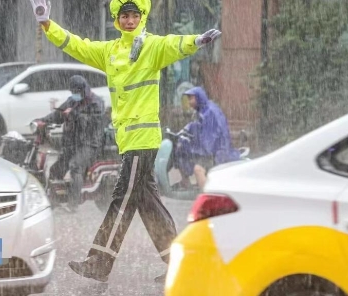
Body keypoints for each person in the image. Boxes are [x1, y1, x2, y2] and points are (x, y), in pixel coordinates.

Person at [29, 0, 222, 282]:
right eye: (124, 16)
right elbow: (76, 45)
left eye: (134, 15)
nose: (130, 20)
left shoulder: (150, 46)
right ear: (117, 20)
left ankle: (99, 260)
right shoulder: (109, 52)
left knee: (122, 198)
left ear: (141, 17)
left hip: (143, 140)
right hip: (128, 140)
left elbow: (174, 44)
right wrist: (47, 24)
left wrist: (196, 40)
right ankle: (180, 262)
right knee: (147, 202)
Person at [36, 75, 105, 212]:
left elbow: (91, 123)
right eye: (73, 92)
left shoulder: (96, 103)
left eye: (77, 92)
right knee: (56, 170)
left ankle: (73, 205)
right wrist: (43, 121)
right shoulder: (72, 101)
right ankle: (55, 202)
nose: (75, 95)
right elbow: (59, 114)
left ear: (84, 89)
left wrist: (73, 114)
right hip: (72, 143)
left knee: (75, 166)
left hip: (89, 144)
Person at [175, 87, 241, 189]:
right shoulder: (203, 110)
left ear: (198, 97)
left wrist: (194, 148)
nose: (189, 102)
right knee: (181, 155)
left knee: (198, 169)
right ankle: (186, 183)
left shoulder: (209, 112)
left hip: (218, 152)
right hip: (211, 150)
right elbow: (196, 126)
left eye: (191, 98)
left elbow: (209, 140)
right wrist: (186, 130)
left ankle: (207, 198)